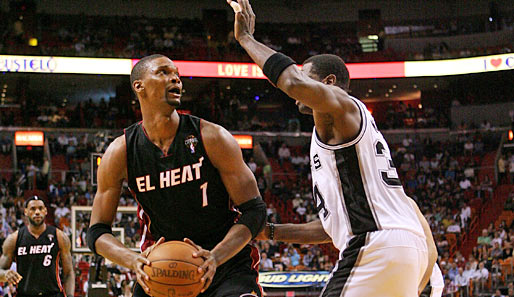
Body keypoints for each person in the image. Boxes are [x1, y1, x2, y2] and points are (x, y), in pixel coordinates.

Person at [228, 0, 439, 296]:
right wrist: (271, 232)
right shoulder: (337, 132)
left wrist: (246, 39)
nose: (299, 82)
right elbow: (334, 228)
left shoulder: (341, 107)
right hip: (400, 248)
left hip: (376, 244)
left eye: (306, 75)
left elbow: (288, 81)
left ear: (329, 82)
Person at [86, 54, 266, 297]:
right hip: (160, 267)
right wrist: (133, 260)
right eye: (163, 72)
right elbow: (97, 232)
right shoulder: (120, 152)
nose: (176, 80)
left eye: (177, 75)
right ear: (139, 86)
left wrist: (215, 256)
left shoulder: (213, 137)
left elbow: (255, 211)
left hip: (225, 264)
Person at [0, 196, 75, 296]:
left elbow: (69, 272)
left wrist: (70, 296)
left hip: (53, 294)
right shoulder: (14, 239)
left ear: (46, 211)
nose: (37, 212)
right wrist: (5, 274)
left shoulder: (60, 236)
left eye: (40, 208)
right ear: (26, 212)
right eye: (33, 209)